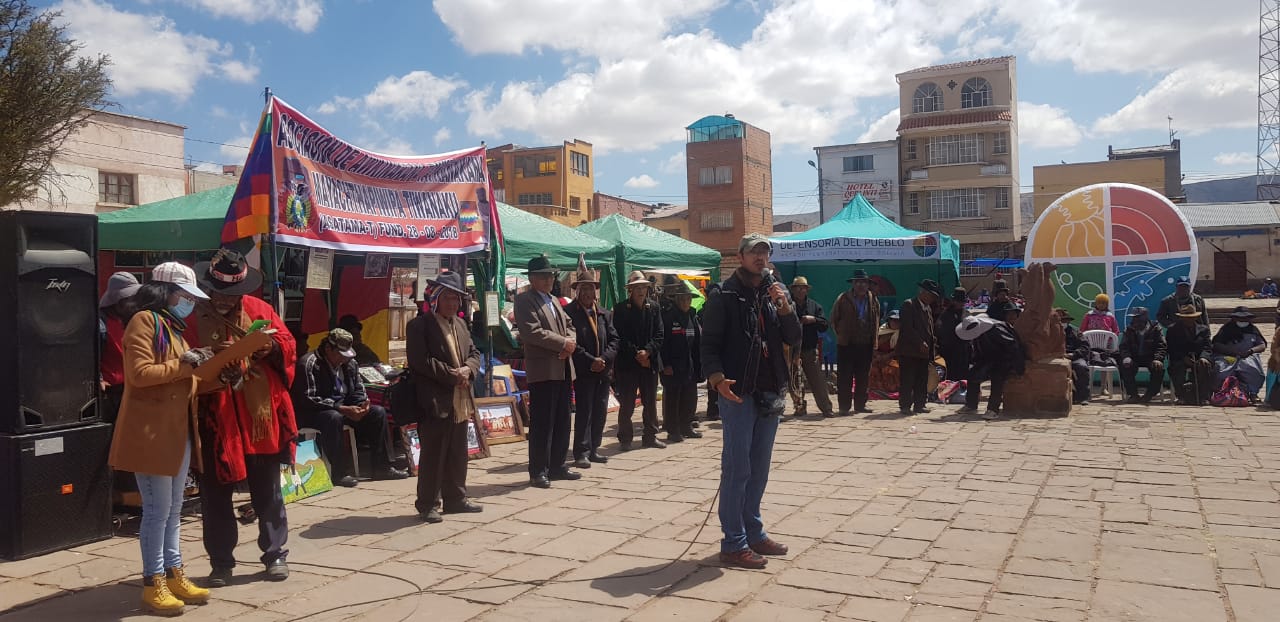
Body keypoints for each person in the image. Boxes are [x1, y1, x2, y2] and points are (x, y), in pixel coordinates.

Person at [185, 249, 297, 586]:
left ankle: (275, 553)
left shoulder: (261, 310)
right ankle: (221, 562)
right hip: (215, 420)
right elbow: (181, 361)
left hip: (258, 418)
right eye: (218, 292)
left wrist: (270, 349)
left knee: (268, 491)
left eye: (231, 294)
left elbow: (289, 344)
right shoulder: (192, 315)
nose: (223, 299)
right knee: (215, 495)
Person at [109, 263, 212, 615]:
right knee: (156, 512)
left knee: (174, 511)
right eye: (186, 296)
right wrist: (186, 366)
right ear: (167, 292)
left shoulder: (172, 327)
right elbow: (139, 375)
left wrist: (213, 371)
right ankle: (153, 582)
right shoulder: (144, 321)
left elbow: (183, 379)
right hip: (151, 434)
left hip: (175, 432)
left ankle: (174, 573)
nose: (190, 303)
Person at [701, 232, 802, 569]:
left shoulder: (774, 293)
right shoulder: (724, 295)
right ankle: (733, 543)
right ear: (741, 257)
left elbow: (794, 337)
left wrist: (785, 308)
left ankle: (754, 533)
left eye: (765, 252)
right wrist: (717, 380)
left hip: (769, 390)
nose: (761, 258)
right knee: (738, 469)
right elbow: (708, 345)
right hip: (737, 393)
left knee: (759, 468)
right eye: (755, 252)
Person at [406, 271, 484, 523]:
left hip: (460, 399)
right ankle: (427, 503)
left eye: (457, 299)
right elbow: (421, 362)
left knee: (458, 452)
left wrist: (468, 370)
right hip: (435, 399)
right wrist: (453, 375)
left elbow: (474, 352)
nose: (453, 303)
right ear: (436, 299)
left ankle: (456, 498)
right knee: (433, 454)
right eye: (448, 298)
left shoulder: (460, 324)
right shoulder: (420, 325)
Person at [292, 329, 409, 487]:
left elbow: (358, 389)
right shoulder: (309, 363)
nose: (343, 359)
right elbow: (308, 398)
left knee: (378, 413)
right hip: (315, 412)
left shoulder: (350, 364)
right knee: (333, 417)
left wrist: (362, 404)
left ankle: (382, 467)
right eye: (340, 355)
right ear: (328, 349)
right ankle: (339, 472)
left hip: (343, 408)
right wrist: (341, 408)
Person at [513, 255, 579, 489]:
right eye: (544, 275)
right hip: (543, 370)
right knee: (542, 422)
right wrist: (563, 344)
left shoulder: (553, 300)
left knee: (562, 419)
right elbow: (532, 332)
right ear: (532, 278)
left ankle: (558, 466)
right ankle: (538, 470)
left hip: (562, 368)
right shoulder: (524, 301)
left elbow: (571, 325)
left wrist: (569, 342)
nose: (549, 279)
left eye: (551, 275)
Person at [562, 265, 618, 468]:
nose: (587, 293)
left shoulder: (604, 313)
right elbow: (571, 343)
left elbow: (614, 339)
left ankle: (595, 448)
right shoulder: (569, 312)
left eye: (590, 288)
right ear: (577, 290)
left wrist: (604, 358)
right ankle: (581, 452)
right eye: (583, 288)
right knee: (584, 412)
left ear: (595, 291)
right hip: (583, 371)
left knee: (600, 411)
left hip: (602, 371)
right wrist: (590, 360)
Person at [613, 270, 665, 450]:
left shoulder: (654, 307)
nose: (641, 291)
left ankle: (650, 436)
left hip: (649, 362)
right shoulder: (621, 309)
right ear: (630, 290)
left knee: (650, 402)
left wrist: (648, 352)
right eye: (637, 288)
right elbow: (619, 337)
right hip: (629, 363)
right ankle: (625, 438)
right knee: (627, 403)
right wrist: (637, 354)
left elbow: (659, 334)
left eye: (643, 287)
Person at [954, 315, 1025, 419]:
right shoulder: (979, 332)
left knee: (997, 378)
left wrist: (1018, 366)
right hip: (988, 358)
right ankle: (971, 405)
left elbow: (1012, 346)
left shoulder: (996, 329)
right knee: (973, 375)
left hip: (1004, 359)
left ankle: (993, 409)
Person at [830, 270, 879, 415]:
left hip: (866, 344)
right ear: (853, 283)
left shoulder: (873, 299)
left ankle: (860, 405)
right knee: (845, 377)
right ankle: (844, 407)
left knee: (863, 376)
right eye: (857, 282)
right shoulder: (843, 298)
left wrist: (874, 341)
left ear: (868, 284)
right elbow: (834, 319)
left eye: (863, 282)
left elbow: (876, 320)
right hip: (847, 345)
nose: (861, 285)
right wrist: (842, 334)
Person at [783, 276, 833, 417]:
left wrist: (813, 320)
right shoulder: (787, 305)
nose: (800, 290)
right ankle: (799, 406)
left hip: (809, 348)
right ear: (793, 290)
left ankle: (826, 407)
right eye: (797, 288)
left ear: (807, 290)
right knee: (794, 380)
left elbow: (824, 325)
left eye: (803, 288)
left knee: (817, 379)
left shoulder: (814, 306)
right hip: (792, 349)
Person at [661, 284, 702, 443]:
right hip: (673, 366)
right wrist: (665, 365)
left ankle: (687, 426)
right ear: (677, 300)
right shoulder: (669, 317)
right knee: (673, 399)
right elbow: (663, 343)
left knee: (690, 398)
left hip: (690, 365)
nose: (686, 302)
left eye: (688, 299)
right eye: (683, 299)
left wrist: (699, 366)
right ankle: (673, 430)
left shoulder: (693, 316)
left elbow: (697, 343)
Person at [100, 271, 142, 424]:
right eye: (130, 298)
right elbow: (86, 358)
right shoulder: (100, 324)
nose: (134, 302)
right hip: (109, 395)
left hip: (131, 390)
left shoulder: (131, 320)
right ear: (118, 300)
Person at [896, 280, 941, 415]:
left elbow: (929, 330)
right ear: (923, 293)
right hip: (909, 351)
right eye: (931, 295)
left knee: (922, 379)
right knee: (908, 379)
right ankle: (905, 405)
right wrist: (920, 342)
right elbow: (908, 328)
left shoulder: (927, 309)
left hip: (924, 353)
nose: (932, 299)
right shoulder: (909, 305)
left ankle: (920, 404)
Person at [1211, 306, 1268, 398]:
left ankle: (1251, 393)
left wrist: (1251, 351)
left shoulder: (1253, 330)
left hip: (1248, 357)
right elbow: (1216, 345)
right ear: (1234, 319)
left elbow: (1262, 345)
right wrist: (1232, 351)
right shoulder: (1226, 330)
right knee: (1221, 371)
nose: (1242, 320)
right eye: (1239, 318)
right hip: (1227, 357)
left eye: (1245, 318)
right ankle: (1221, 392)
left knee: (1255, 372)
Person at [1166, 304, 1212, 405]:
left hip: (1198, 357)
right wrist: (1183, 358)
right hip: (1180, 357)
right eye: (1185, 318)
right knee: (1177, 367)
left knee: (1205, 366)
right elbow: (1171, 348)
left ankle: (1203, 396)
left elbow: (1207, 347)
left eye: (1191, 318)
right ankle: (1181, 396)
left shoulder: (1204, 329)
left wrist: (1203, 357)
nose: (1188, 320)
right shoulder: (1172, 329)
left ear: (1195, 317)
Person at [1118, 308, 1167, 403]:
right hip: (1134, 357)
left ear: (1145, 318)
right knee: (1125, 366)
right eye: (1134, 319)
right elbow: (1124, 346)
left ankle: (1149, 395)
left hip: (1150, 357)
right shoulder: (1129, 329)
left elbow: (1161, 345)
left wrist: (1158, 358)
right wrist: (1126, 357)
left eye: (1138, 318)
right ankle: (1133, 395)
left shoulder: (1156, 328)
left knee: (1158, 368)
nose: (1135, 321)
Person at [1059, 309, 1093, 406]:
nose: (1063, 323)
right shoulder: (1052, 333)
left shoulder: (1076, 332)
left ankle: (1084, 397)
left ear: (1069, 321)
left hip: (1075, 356)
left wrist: (1073, 355)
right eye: (1061, 321)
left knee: (1082, 367)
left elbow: (1085, 347)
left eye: (1065, 321)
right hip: (1059, 357)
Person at [936, 287, 970, 383]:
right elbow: (941, 331)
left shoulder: (966, 313)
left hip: (964, 351)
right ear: (954, 301)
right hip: (950, 352)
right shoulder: (946, 314)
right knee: (951, 378)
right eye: (958, 301)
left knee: (963, 378)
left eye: (962, 301)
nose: (960, 304)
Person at [868, 311, 901, 396]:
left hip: (894, 358)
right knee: (872, 367)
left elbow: (899, 350)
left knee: (891, 369)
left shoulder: (902, 333)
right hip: (879, 356)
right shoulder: (880, 331)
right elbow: (873, 346)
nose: (895, 322)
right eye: (893, 320)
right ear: (888, 320)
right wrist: (878, 355)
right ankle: (875, 388)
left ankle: (891, 389)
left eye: (897, 320)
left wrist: (886, 357)